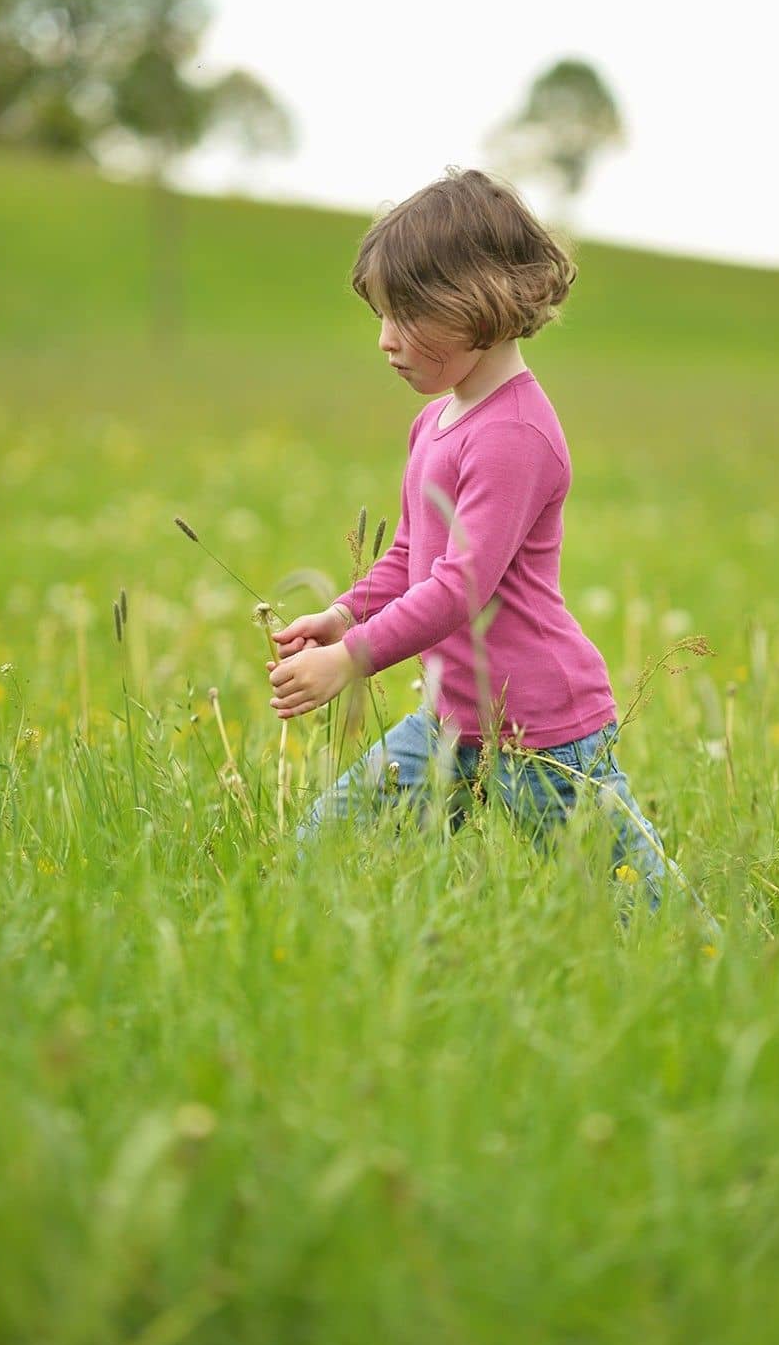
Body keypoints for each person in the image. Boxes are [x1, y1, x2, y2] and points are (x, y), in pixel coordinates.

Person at [266, 166, 712, 927]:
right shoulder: (437, 422)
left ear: (477, 306)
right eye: (381, 316)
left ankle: (720, 972)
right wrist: (344, 616)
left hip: (542, 732)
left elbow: (460, 587)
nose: (385, 341)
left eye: (405, 316)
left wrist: (353, 660)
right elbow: (411, 558)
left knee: (642, 908)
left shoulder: (514, 435)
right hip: (448, 725)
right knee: (319, 853)